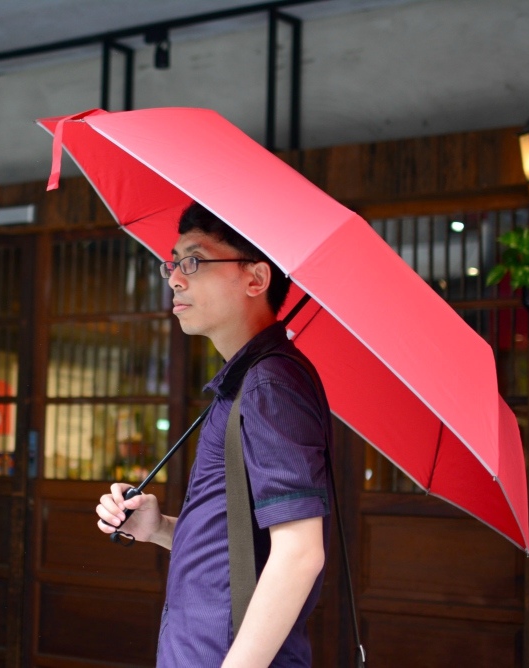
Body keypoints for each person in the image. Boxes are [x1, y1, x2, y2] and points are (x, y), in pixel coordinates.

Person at [96, 201, 332, 667]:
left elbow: (300, 553)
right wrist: (160, 528)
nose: (175, 278)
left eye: (195, 261)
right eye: (173, 262)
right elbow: (240, 543)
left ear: (255, 279)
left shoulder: (269, 386)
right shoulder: (246, 384)